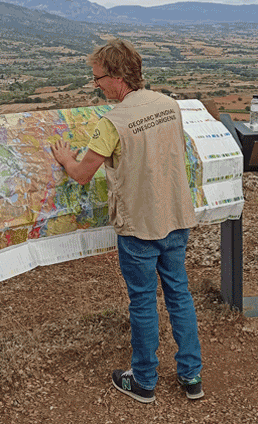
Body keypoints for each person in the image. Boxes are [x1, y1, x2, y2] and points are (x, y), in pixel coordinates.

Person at [51, 39, 203, 404]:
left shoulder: (112, 122)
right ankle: (191, 376)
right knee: (179, 294)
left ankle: (145, 381)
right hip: (175, 216)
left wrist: (63, 159)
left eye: (98, 78)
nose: (96, 85)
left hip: (138, 225)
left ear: (117, 76)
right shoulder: (169, 105)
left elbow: (83, 174)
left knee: (143, 301)